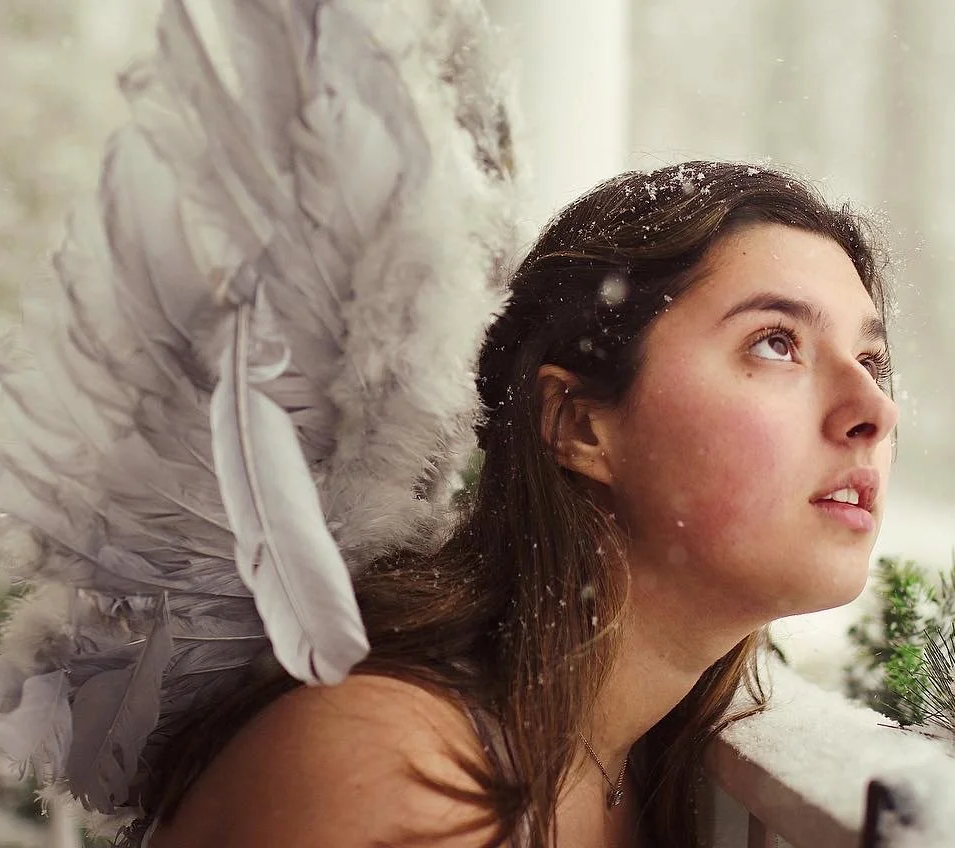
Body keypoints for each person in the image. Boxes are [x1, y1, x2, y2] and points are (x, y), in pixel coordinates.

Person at [139, 161, 900, 847]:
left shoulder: (636, 769)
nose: (874, 408)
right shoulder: (389, 774)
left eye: (871, 359)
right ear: (579, 425)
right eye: (775, 343)